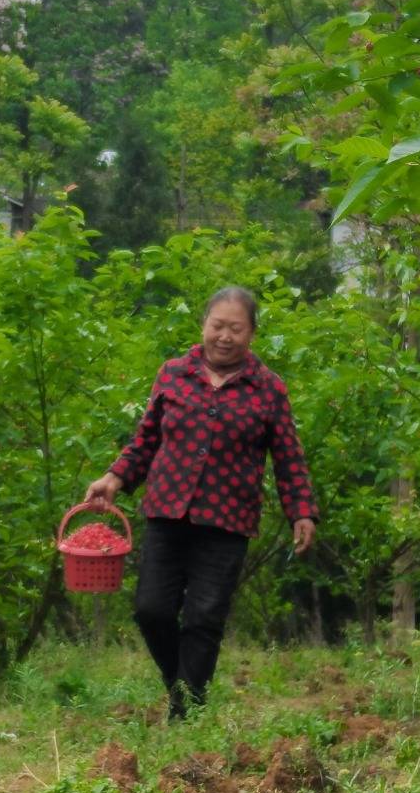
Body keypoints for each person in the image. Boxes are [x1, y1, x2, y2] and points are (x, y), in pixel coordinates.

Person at [80, 286, 317, 719]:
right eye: (217, 326)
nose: (224, 336)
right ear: (204, 325)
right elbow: (146, 439)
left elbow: (288, 456)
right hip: (167, 512)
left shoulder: (269, 389)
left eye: (236, 329)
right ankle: (184, 691)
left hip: (227, 521)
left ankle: (185, 714)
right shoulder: (173, 374)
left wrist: (300, 511)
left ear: (252, 334)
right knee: (151, 610)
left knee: (204, 618)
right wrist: (115, 477)